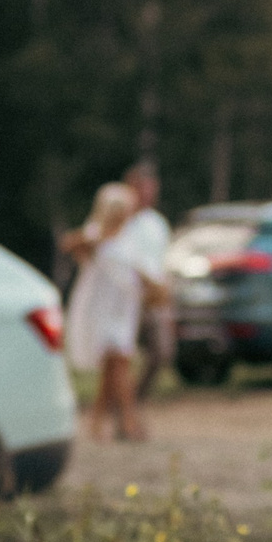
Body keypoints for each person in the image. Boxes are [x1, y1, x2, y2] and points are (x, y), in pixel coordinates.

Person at [61, 181, 150, 441]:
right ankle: (130, 423)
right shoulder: (95, 234)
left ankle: (97, 424)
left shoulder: (129, 236)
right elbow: (69, 245)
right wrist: (95, 239)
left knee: (113, 369)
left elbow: (137, 270)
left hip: (124, 309)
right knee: (119, 364)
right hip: (101, 309)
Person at [112, 159, 173, 391]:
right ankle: (123, 411)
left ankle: (135, 400)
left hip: (152, 299)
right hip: (126, 297)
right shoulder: (120, 222)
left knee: (161, 352)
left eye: (150, 188)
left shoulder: (157, 224)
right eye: (142, 188)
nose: (147, 194)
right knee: (120, 356)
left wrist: (166, 302)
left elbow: (163, 264)